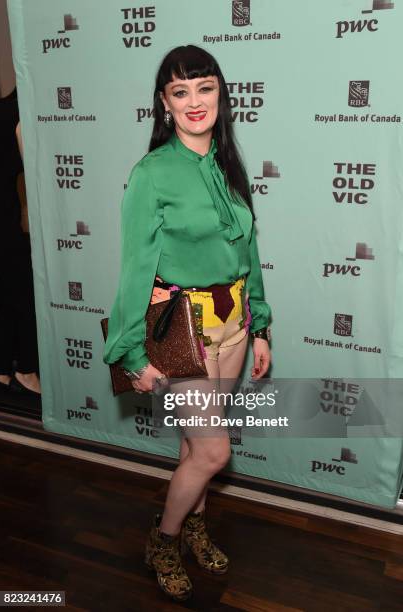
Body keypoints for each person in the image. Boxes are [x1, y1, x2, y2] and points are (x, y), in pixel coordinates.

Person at [103, 45, 271, 601]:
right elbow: (133, 273)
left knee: (194, 449)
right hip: (185, 330)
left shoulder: (227, 162)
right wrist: (131, 354)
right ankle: (165, 538)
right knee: (214, 453)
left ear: (221, 97)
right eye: (181, 91)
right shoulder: (152, 175)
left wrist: (261, 324)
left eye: (205, 89)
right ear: (165, 104)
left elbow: (247, 250)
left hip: (233, 324)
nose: (195, 102)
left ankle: (196, 528)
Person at [0, 83, 41, 397]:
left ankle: (0, 369)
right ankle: (25, 368)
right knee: (23, 296)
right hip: (3, 227)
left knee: (1, 297)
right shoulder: (11, 114)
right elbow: (31, 169)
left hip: (3, 225)